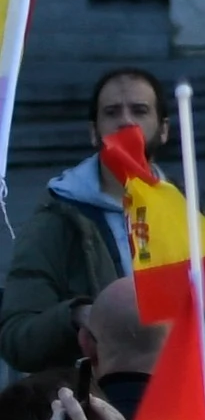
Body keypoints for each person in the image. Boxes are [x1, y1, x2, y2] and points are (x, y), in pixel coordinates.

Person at [0, 62, 162, 377]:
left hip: (194, 402)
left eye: (140, 110)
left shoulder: (190, 211)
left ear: (164, 129)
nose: (126, 121)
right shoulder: (58, 220)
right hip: (108, 404)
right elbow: (16, 338)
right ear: (93, 132)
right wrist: (76, 315)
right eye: (112, 112)